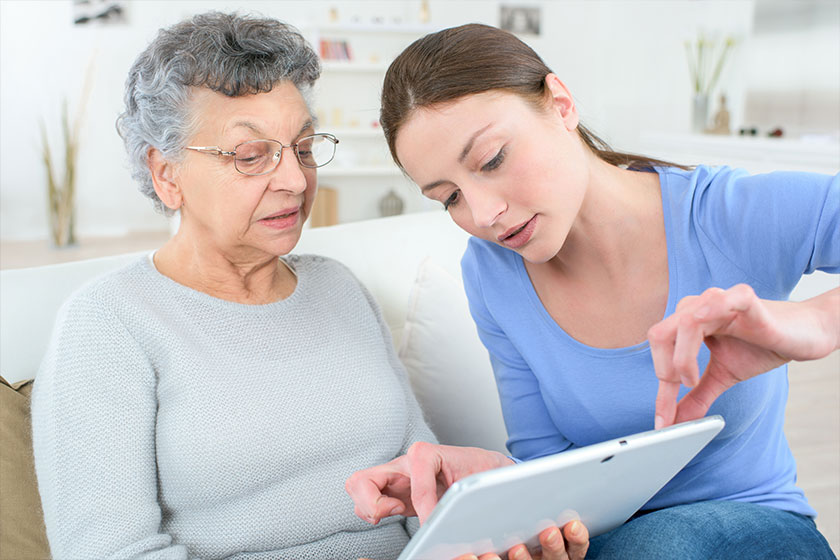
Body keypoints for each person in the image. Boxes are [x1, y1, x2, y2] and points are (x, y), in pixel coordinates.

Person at [30, 12, 573, 560]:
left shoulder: (337, 288)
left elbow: (421, 489)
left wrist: (485, 542)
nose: (294, 180)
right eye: (250, 155)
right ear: (165, 174)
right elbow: (109, 551)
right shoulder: (107, 324)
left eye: (305, 148)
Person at [346, 23, 839, 559]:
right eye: (450, 198)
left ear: (560, 105)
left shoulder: (723, 215)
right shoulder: (493, 273)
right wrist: (497, 487)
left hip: (756, 531)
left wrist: (819, 320)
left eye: (491, 160)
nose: (484, 214)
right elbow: (549, 463)